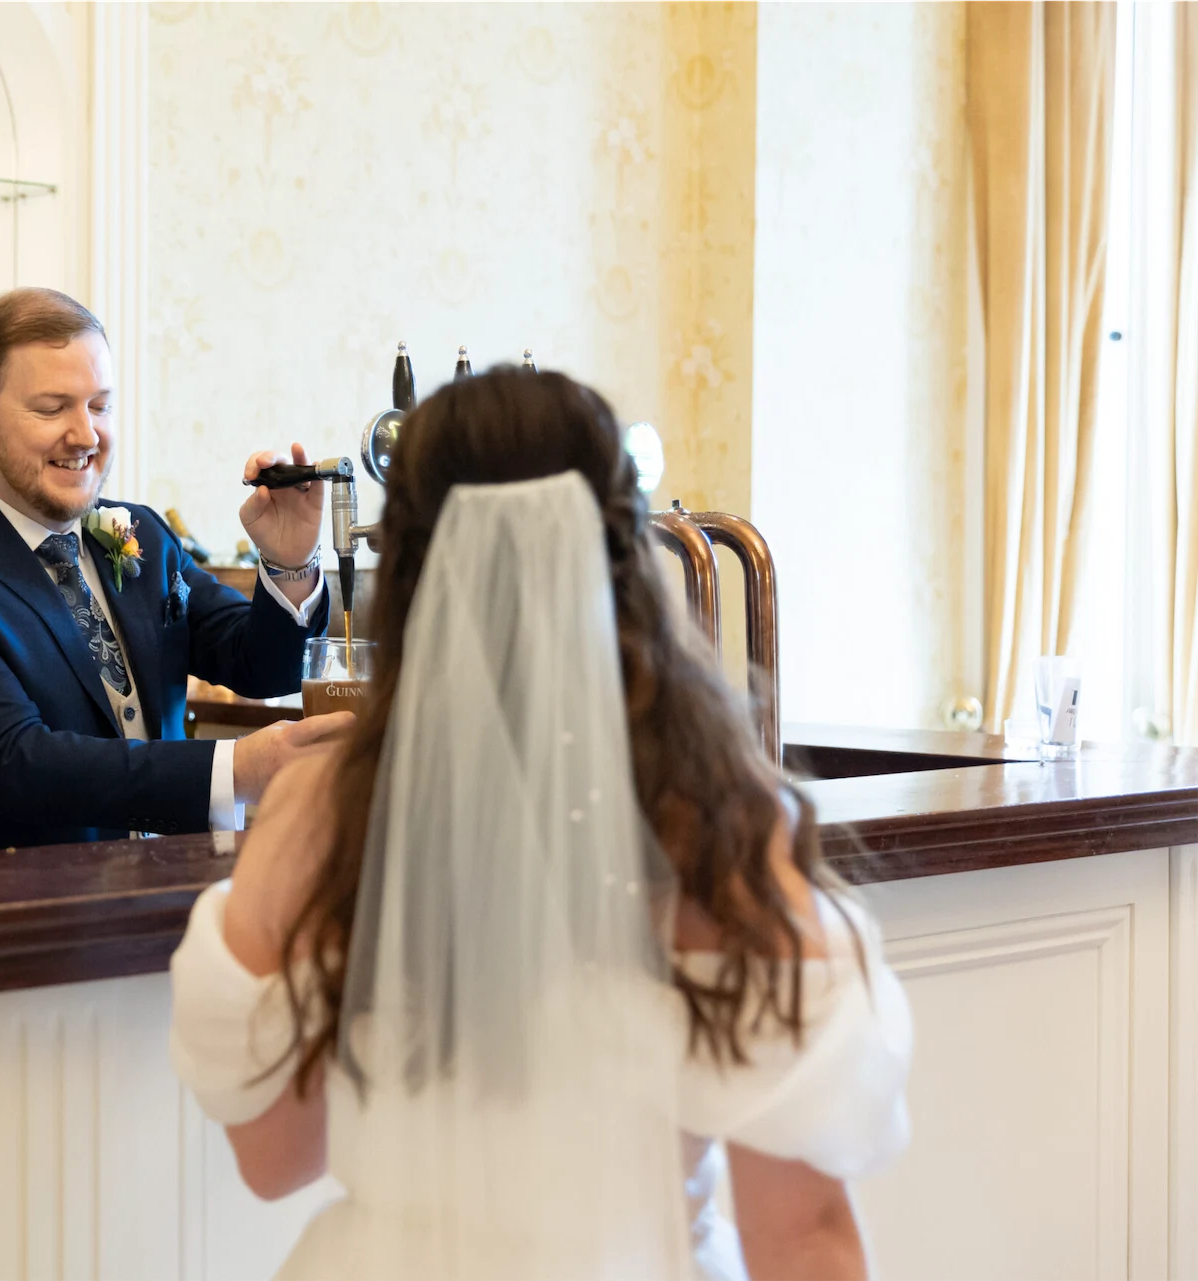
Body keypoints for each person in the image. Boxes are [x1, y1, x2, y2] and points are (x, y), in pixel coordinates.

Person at [169, 369, 913, 1280]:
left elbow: (275, 1158)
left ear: (409, 573)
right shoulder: (714, 827)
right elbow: (802, 1235)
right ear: (627, 562)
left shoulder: (320, 811)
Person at [0, 288, 349, 855]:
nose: (86, 435)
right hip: (9, 905)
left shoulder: (143, 534)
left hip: (169, 893)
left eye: (99, 406)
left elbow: (265, 668)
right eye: (52, 408)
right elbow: (16, 764)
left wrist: (289, 562)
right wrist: (236, 767)